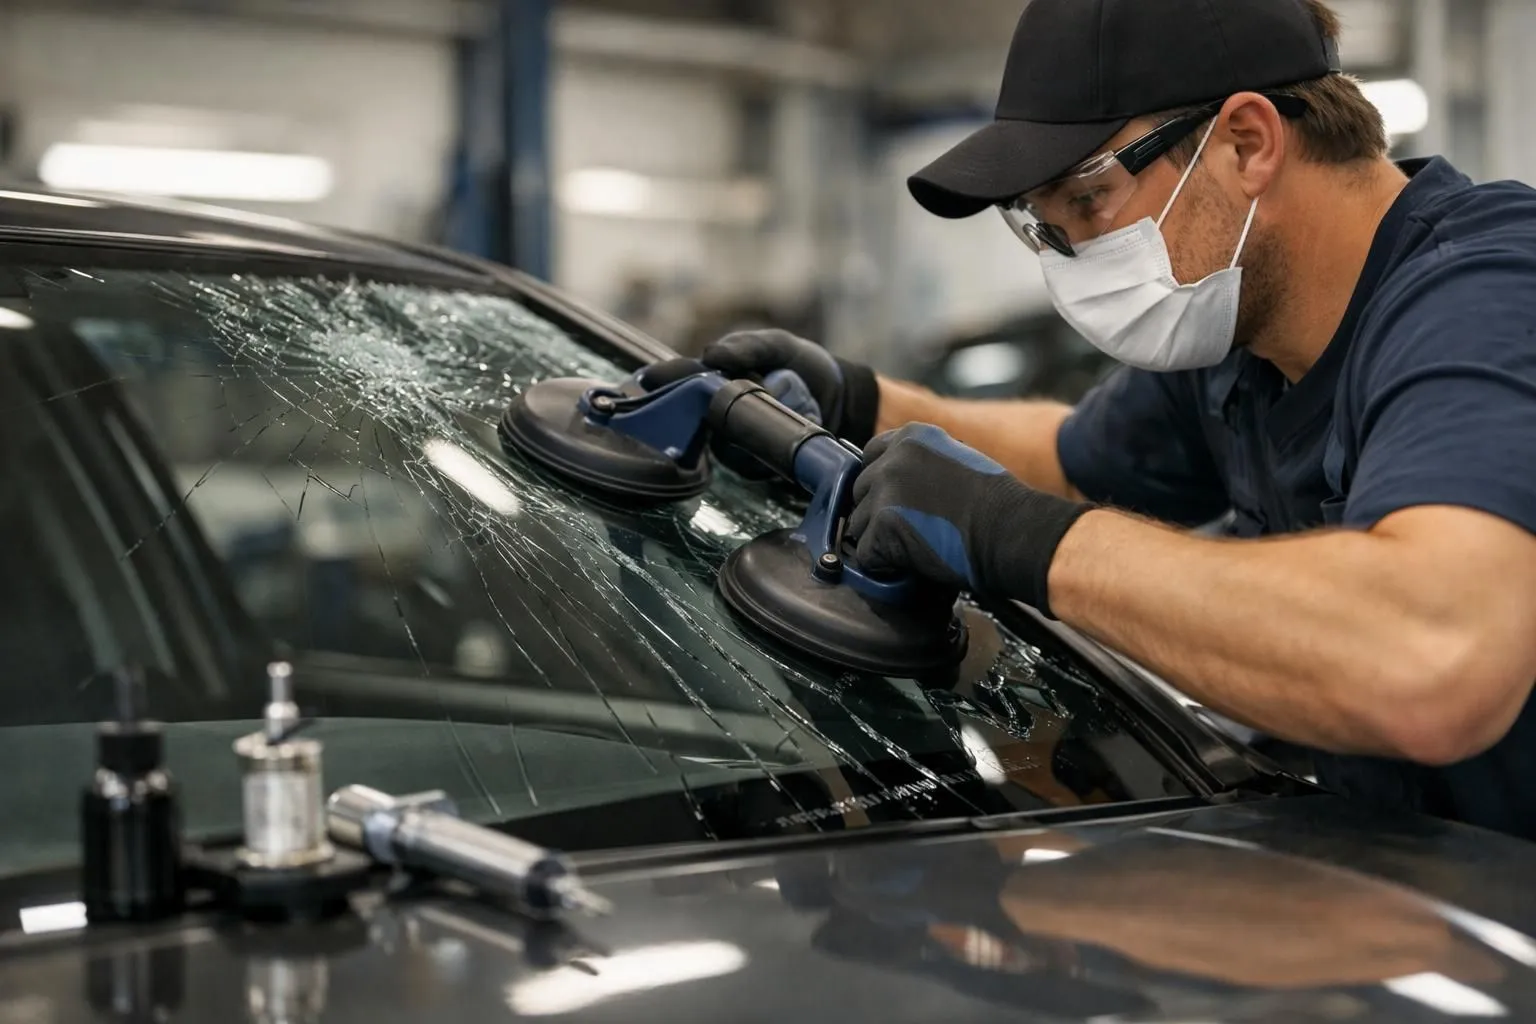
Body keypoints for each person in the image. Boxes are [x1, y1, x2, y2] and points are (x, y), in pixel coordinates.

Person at [698, 0, 1536, 840]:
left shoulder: (1487, 296)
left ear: (1248, 143)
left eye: (1088, 197)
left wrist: (1015, 536)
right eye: (1041, 225)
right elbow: (1070, 464)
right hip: (1426, 895)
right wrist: (859, 403)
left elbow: (1434, 660)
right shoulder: (1241, 334)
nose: (1071, 255)